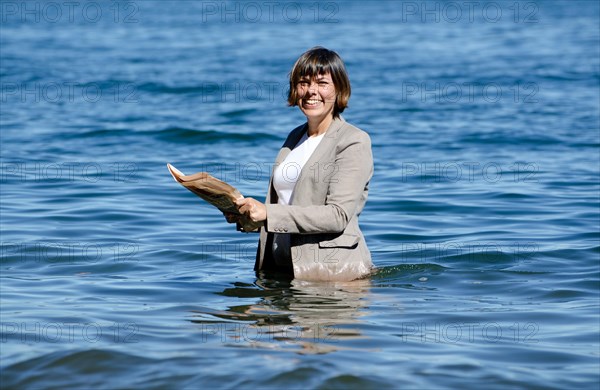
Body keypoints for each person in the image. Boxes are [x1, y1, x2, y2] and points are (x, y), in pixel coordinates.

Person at [229, 47, 374, 282]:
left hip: (332, 277)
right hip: (280, 272)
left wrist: (268, 214)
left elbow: (338, 215)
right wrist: (248, 217)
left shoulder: (353, 140)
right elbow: (289, 204)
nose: (311, 91)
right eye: (303, 82)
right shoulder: (295, 136)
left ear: (339, 89)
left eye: (322, 83)